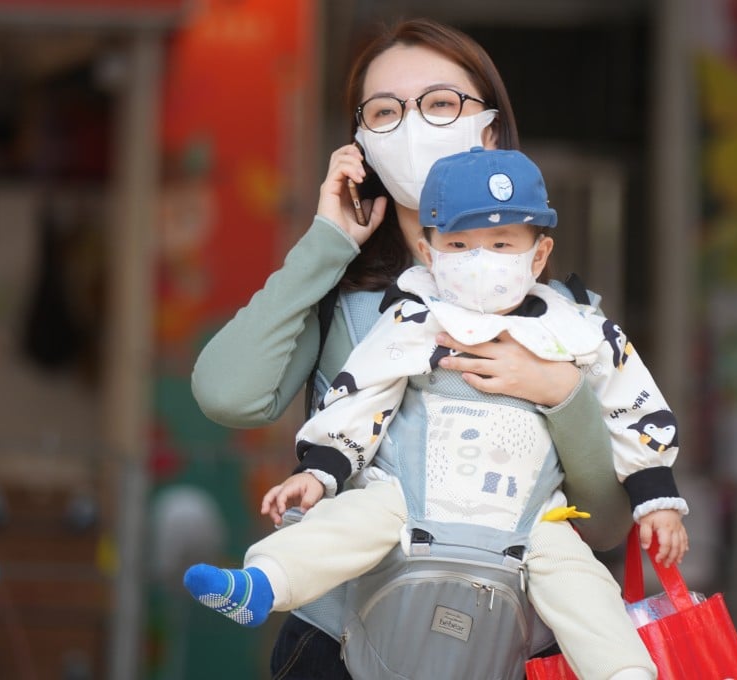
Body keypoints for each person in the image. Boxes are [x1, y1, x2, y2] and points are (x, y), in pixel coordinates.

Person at [190, 17, 634, 678]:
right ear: (362, 144)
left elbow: (605, 527)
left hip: (499, 649)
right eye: (386, 112)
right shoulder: (345, 298)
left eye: (439, 104)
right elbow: (227, 394)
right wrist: (325, 243)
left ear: (488, 128)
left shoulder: (562, 318)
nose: (413, 126)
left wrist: (561, 393)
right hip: (338, 648)